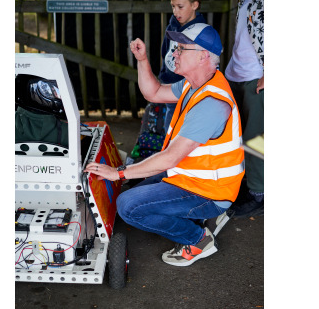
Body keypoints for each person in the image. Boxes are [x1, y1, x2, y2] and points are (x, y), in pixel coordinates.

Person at [85, 23, 245, 266]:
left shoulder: (211, 104)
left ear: (203, 56)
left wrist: (118, 173)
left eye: (182, 49)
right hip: (191, 177)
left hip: (210, 192)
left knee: (128, 206)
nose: (174, 53)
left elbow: (170, 158)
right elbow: (155, 92)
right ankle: (195, 220)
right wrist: (142, 59)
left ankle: (198, 239)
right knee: (136, 188)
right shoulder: (197, 84)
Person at [206, 0, 264, 236]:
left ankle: (258, 193)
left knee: (257, 138)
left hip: (259, 78)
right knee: (236, 135)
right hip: (235, 73)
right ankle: (238, 185)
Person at [158, 0, 206, 132]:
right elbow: (164, 52)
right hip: (170, 87)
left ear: (194, 5)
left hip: (190, 91)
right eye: (173, 6)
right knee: (170, 127)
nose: (175, 11)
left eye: (180, 6)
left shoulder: (201, 32)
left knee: (187, 129)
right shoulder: (171, 26)